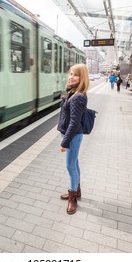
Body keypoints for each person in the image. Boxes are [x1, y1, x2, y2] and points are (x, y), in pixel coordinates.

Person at [57, 63, 88, 215]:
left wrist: (65, 142)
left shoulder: (77, 97)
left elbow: (74, 123)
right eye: (71, 74)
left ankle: (73, 197)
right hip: (72, 135)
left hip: (73, 137)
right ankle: (77, 190)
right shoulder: (74, 92)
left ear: (82, 78)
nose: (71, 77)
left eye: (75, 74)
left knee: (70, 166)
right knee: (75, 163)